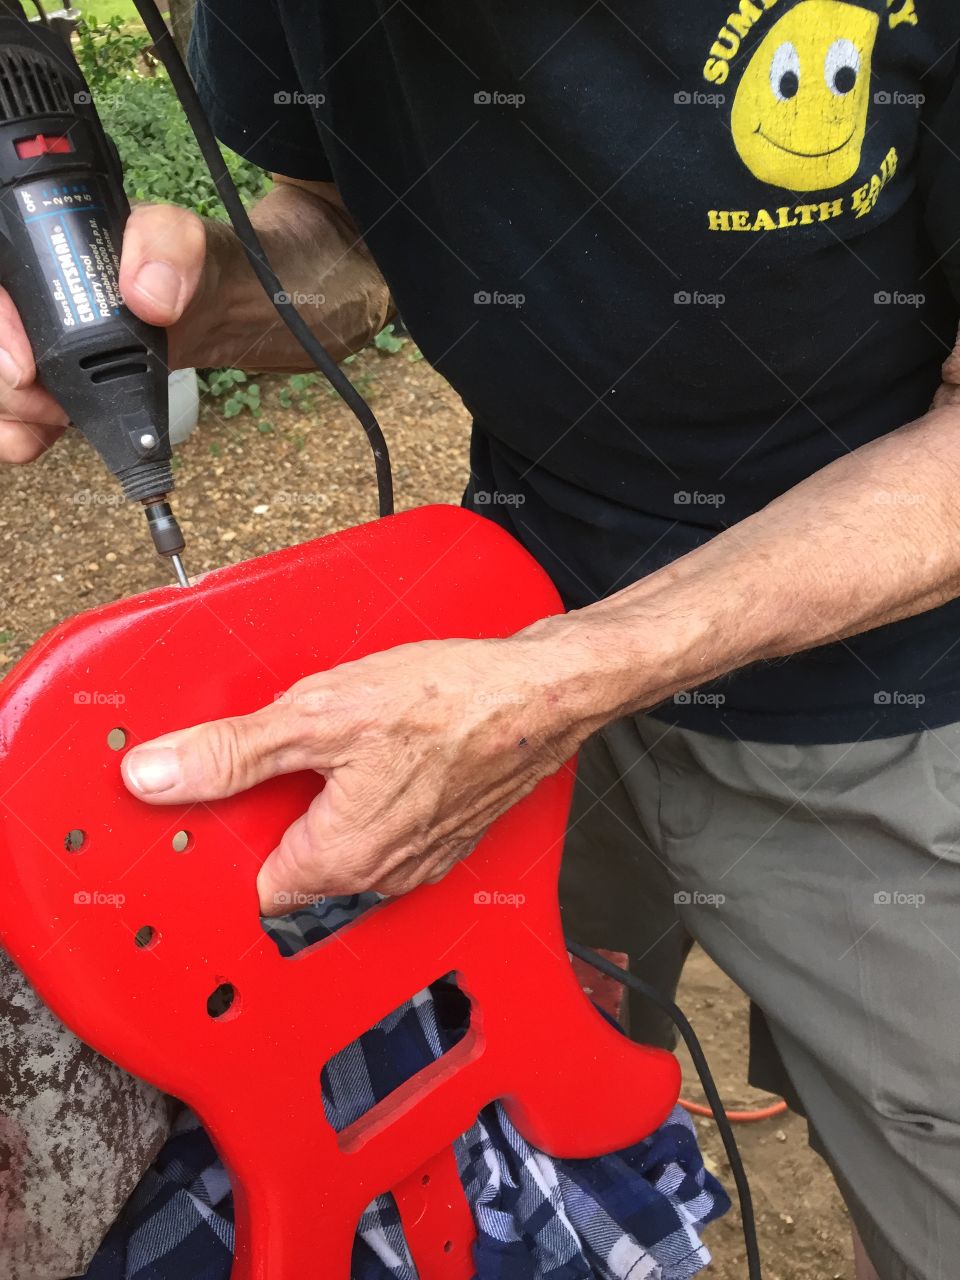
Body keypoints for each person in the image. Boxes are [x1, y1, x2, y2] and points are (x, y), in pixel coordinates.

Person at [1, 2, 958, 1276]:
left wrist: (568, 678)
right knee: (557, 1039)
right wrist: (216, 295)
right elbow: (346, 231)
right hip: (495, 636)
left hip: (891, 698)